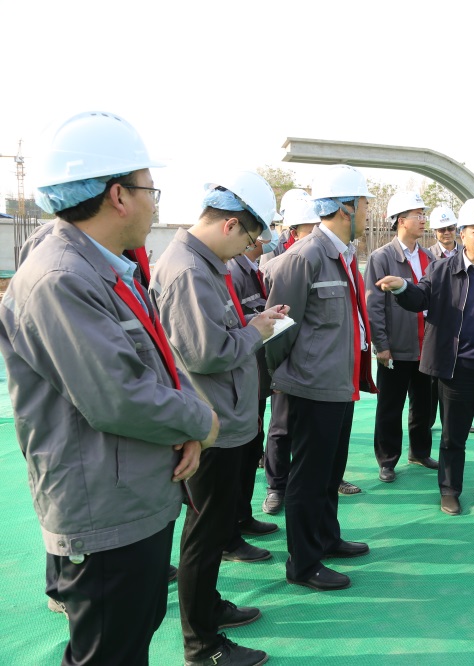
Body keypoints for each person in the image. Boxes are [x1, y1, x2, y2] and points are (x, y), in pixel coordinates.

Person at [0, 110, 218, 664]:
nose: (155, 205)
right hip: (104, 510)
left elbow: (153, 366)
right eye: (150, 189)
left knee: (129, 638)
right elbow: (119, 397)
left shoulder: (102, 267)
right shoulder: (61, 278)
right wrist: (201, 421)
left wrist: (183, 425)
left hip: (129, 494)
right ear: (118, 195)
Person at [152, 170, 285, 666]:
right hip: (209, 422)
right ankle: (202, 644)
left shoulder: (202, 264)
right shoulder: (189, 270)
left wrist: (252, 324)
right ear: (230, 224)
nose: (248, 250)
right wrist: (256, 332)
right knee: (204, 537)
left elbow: (211, 335)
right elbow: (206, 354)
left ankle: (208, 608)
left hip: (220, 415)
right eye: (249, 239)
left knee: (208, 530)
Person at [376, 198, 474, 516]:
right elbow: (420, 297)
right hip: (457, 369)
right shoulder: (442, 270)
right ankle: (449, 490)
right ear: (462, 234)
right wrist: (402, 287)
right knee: (453, 436)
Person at [264, 164, 375, 591]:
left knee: (329, 471)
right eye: (363, 203)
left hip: (338, 384)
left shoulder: (342, 254)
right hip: (311, 387)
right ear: (345, 208)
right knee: (308, 477)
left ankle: (326, 538)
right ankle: (303, 562)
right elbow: (277, 328)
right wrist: (287, 377)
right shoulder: (305, 256)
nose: (367, 211)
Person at [365, 191, 438, 482]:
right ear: (400, 221)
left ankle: (419, 452)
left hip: (425, 346)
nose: (423, 220)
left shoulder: (429, 257)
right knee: (390, 407)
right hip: (396, 347)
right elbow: (374, 304)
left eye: (423, 214)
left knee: (424, 405)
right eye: (417, 215)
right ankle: (387, 460)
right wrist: (381, 345)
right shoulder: (381, 258)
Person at [261, 193, 319, 515]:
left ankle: (319, 480)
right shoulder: (275, 259)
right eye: (312, 227)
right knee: (281, 426)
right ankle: (276, 486)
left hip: (316, 361)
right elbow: (277, 319)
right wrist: (277, 368)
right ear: (294, 230)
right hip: (287, 357)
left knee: (316, 428)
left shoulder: (330, 256)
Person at [225, 231, 281, 560]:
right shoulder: (233, 272)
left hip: (255, 373)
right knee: (239, 456)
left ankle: (242, 517)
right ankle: (229, 532)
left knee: (250, 450)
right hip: (243, 374)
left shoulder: (250, 270)